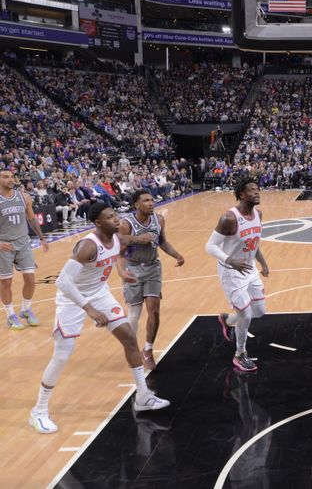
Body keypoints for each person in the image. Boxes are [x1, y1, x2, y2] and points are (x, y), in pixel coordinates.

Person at [29, 202, 170, 434]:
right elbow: (63, 282)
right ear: (97, 223)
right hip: (72, 301)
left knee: (128, 338)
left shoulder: (115, 238)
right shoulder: (87, 246)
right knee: (62, 355)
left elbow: (117, 251)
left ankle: (143, 396)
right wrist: (89, 309)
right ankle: (39, 410)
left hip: (100, 293)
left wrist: (121, 271)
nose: (117, 220)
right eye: (110, 217)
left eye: (116, 215)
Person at [205, 178, 270, 372]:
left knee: (259, 311)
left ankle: (227, 320)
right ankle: (240, 354)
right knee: (246, 315)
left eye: (258, 190)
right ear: (241, 194)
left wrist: (263, 262)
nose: (257, 193)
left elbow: (254, 243)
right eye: (252, 190)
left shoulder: (258, 214)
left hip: (249, 269)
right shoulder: (229, 219)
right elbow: (209, 246)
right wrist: (230, 260)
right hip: (231, 272)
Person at [118, 190, 185, 371]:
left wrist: (177, 255)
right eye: (145, 200)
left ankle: (148, 349)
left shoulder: (159, 219)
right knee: (135, 314)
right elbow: (120, 254)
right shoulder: (126, 224)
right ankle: (132, 349)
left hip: (153, 268)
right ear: (136, 205)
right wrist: (122, 272)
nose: (150, 203)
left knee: (154, 312)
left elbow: (162, 241)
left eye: (151, 199)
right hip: (132, 268)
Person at [0, 168, 49, 331]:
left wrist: (41, 238)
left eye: (12, 176)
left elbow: (32, 218)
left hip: (23, 242)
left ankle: (26, 310)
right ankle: (10, 315)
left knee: (30, 278)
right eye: (6, 177)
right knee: (6, 281)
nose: (10, 179)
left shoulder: (23, 196)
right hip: (4, 245)